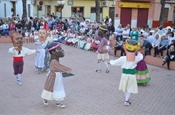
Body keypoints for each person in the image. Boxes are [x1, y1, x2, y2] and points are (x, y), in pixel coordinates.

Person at [110, 39, 143, 106]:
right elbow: (141, 57)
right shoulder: (136, 58)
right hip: (132, 75)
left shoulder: (123, 58)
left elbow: (114, 63)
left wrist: (111, 61)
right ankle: (126, 100)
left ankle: (126, 99)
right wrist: (138, 51)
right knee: (130, 88)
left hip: (124, 74)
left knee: (125, 87)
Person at [41, 42, 72, 108]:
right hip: (53, 77)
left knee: (57, 88)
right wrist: (68, 70)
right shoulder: (54, 61)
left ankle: (58, 101)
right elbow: (59, 67)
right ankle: (46, 98)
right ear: (53, 52)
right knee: (50, 88)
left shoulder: (55, 59)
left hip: (57, 76)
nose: (61, 50)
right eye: (59, 49)